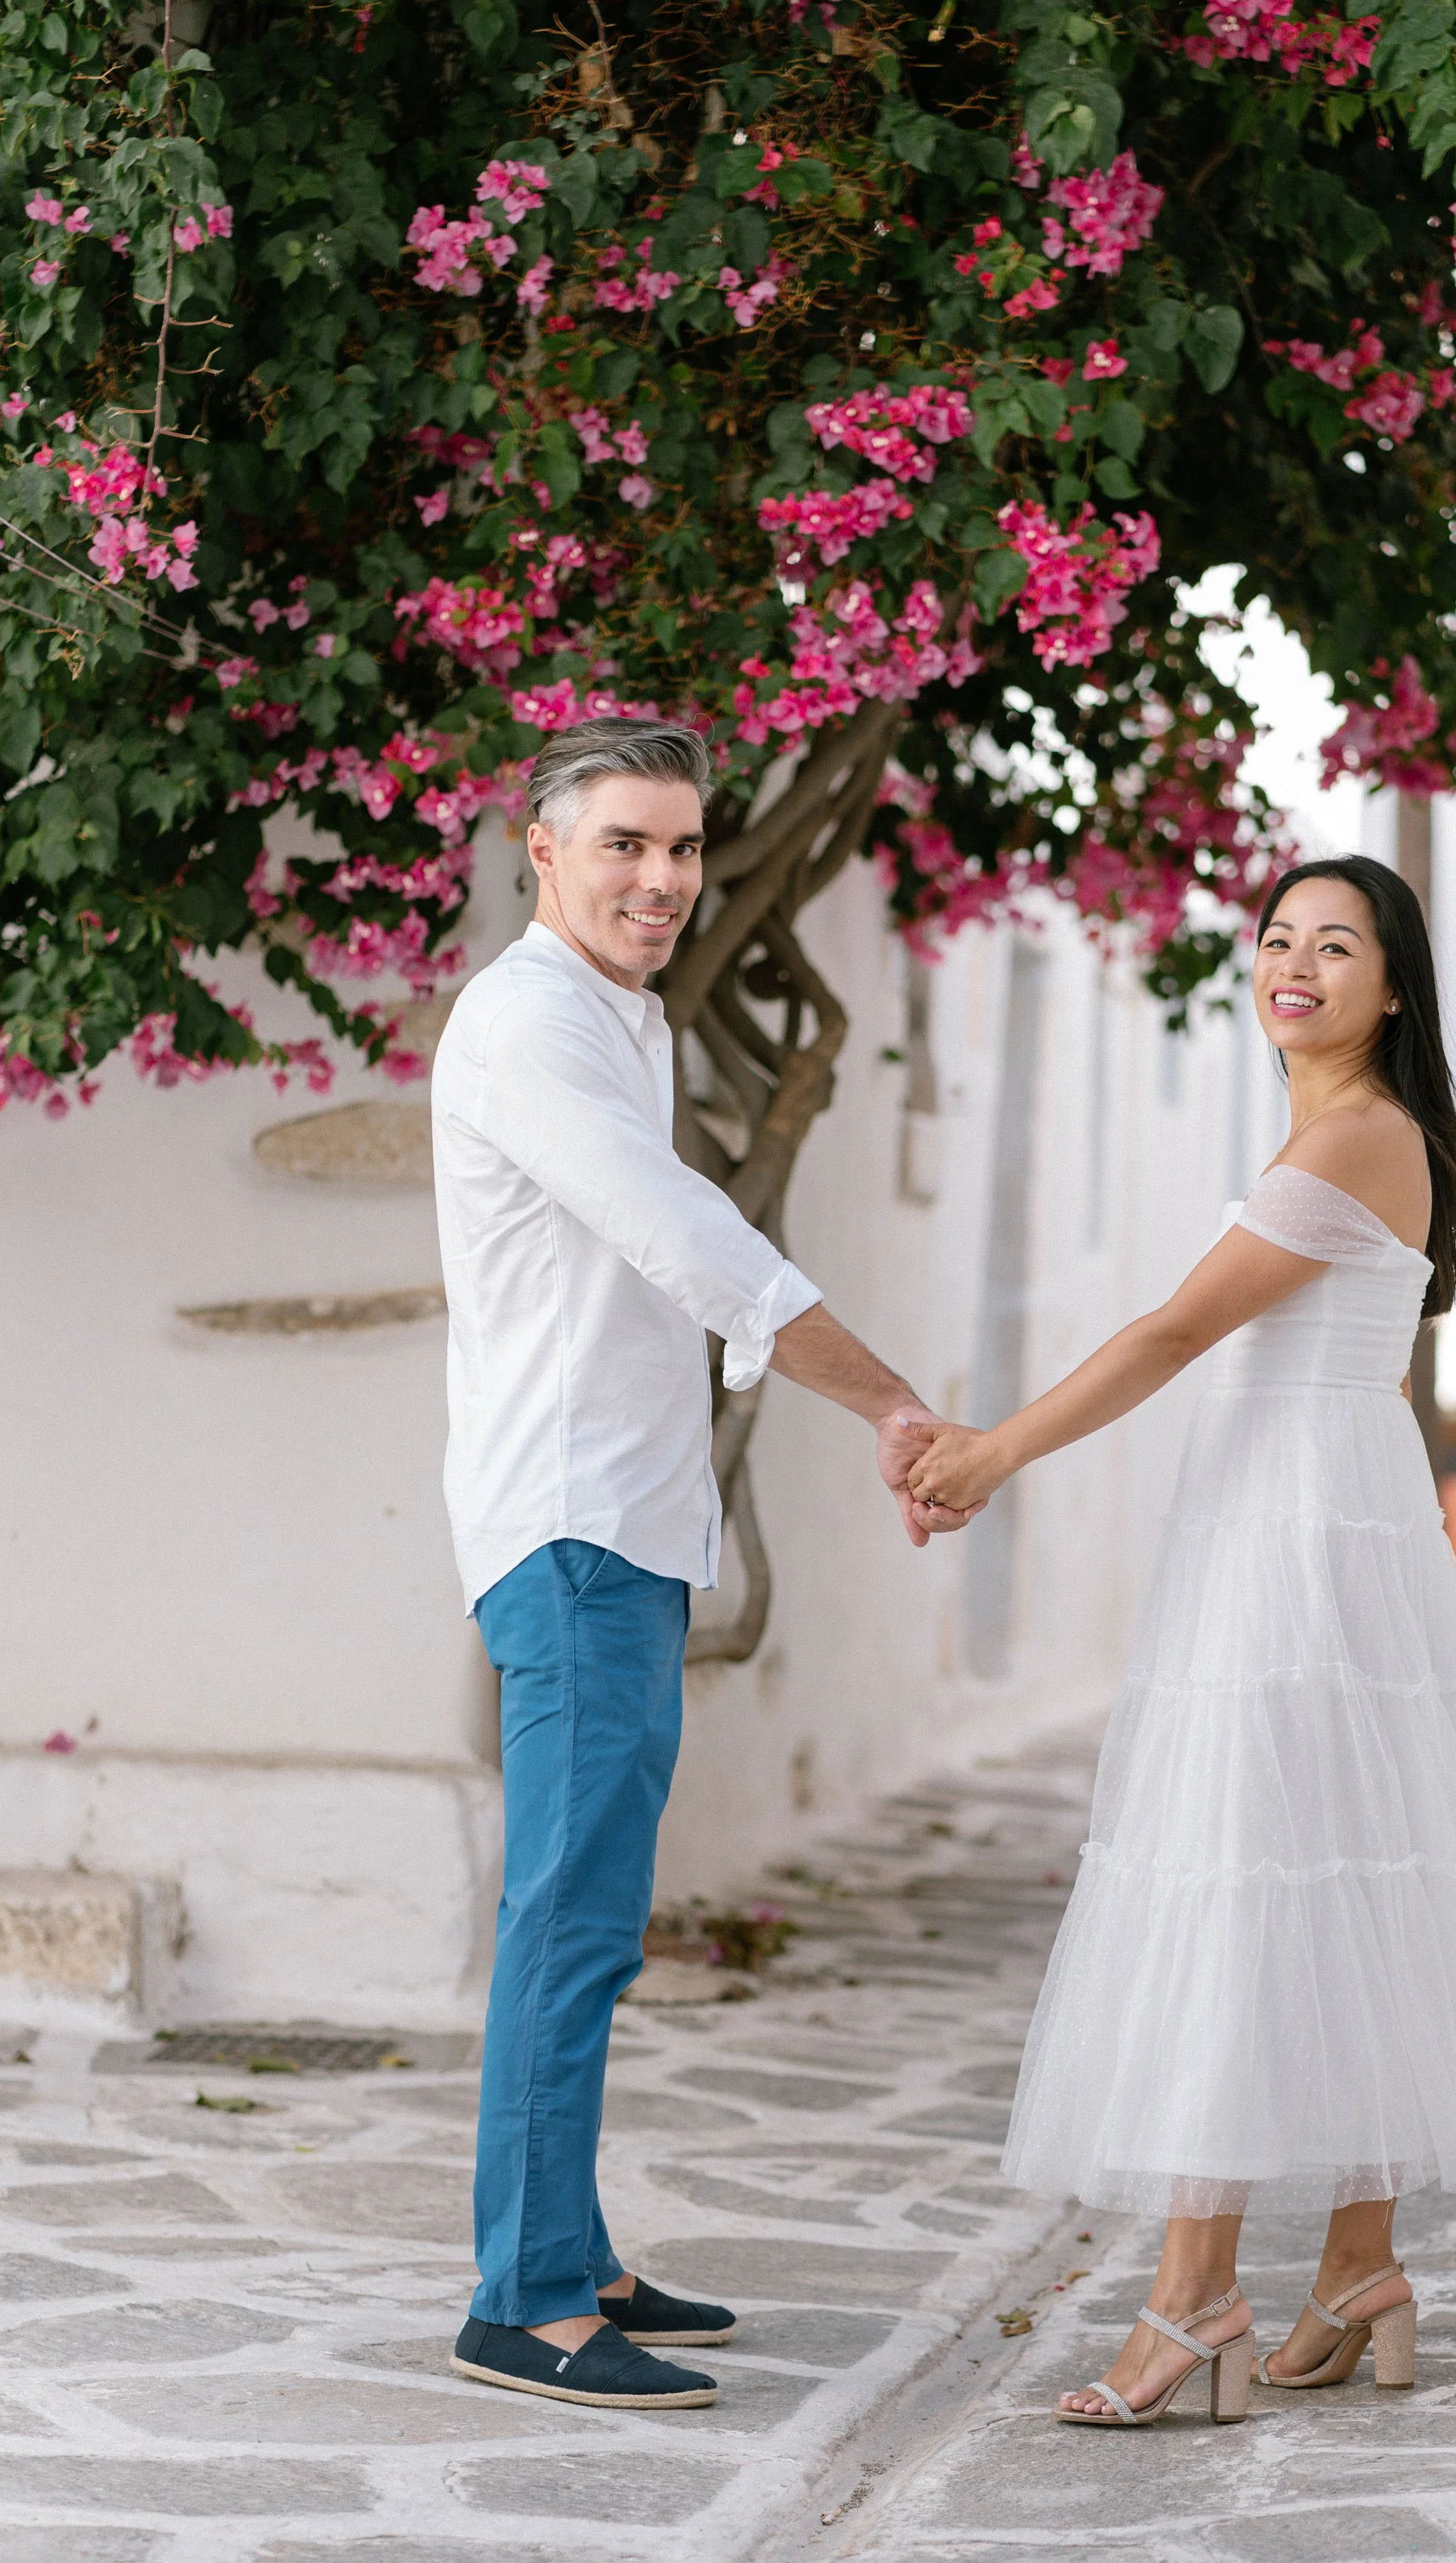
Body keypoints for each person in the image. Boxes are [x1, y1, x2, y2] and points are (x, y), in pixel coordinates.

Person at [905, 857, 1456, 2427]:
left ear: (1392, 985)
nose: (1291, 965)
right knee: (1340, 1878)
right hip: (1321, 1523)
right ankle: (1355, 2271)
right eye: (1275, 938)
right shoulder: (1356, 1133)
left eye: (1334, 945)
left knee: (1239, 1881)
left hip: (1294, 1545)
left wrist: (991, 1452)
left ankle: (1190, 2303)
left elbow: (1176, 1330)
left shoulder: (1359, 1136)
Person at [432, 719, 970, 2415]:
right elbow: (684, 1241)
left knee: (591, 1913)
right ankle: (520, 2299)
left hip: (630, 1526)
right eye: (623, 846)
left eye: (682, 847)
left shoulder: (617, 1021)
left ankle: (569, 2250)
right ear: (540, 847)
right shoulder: (530, 1027)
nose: (663, 878)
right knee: (569, 1921)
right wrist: (886, 1396)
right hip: (576, 1530)